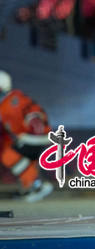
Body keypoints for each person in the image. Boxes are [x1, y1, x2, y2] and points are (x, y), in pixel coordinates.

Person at [0, 71, 53, 201]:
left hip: (35, 136)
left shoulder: (11, 103)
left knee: (8, 155)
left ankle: (36, 185)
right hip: (35, 136)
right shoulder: (11, 100)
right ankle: (32, 187)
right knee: (17, 155)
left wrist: (35, 134)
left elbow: (33, 115)